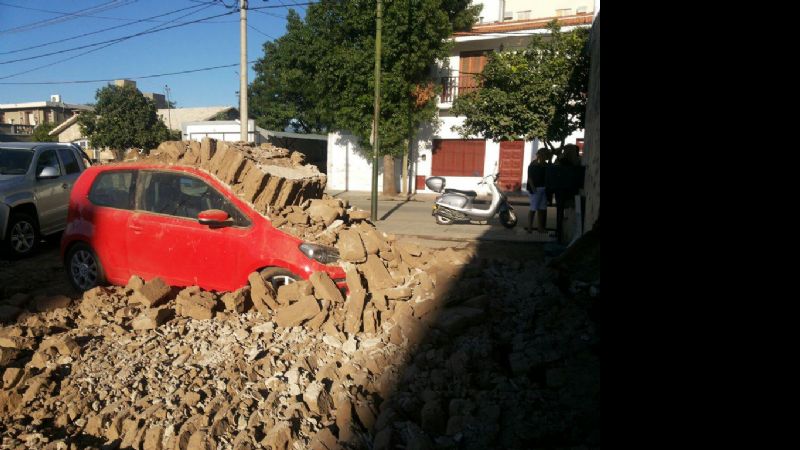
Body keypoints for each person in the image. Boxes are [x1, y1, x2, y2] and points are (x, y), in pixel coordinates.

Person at [525, 150, 549, 234]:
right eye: (542, 155)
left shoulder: (546, 165)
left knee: (542, 209)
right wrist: (532, 187)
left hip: (544, 189)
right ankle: (529, 227)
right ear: (538, 155)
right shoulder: (533, 165)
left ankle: (540, 228)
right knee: (533, 208)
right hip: (535, 189)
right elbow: (530, 177)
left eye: (545, 155)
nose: (544, 157)